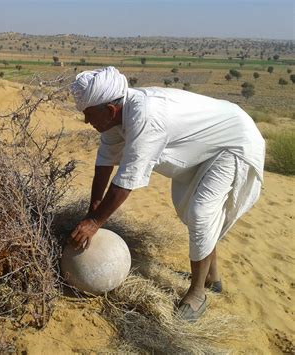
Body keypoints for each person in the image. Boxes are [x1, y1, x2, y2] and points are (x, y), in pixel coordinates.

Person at [69, 66, 265, 321]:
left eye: (88, 114)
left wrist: (95, 223)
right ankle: (212, 277)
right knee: (198, 214)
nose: (86, 121)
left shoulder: (146, 116)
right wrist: (90, 214)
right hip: (202, 149)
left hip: (233, 143)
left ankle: (197, 294)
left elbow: (126, 181)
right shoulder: (113, 120)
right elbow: (104, 165)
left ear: (109, 110)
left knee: (201, 213)